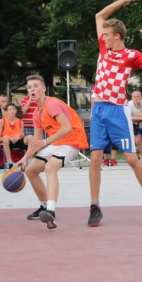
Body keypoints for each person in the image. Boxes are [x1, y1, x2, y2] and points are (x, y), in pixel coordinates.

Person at [89, 0, 142, 227]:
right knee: (95, 158)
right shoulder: (104, 45)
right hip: (99, 109)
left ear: (117, 36)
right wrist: (122, 0)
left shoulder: (131, 56)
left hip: (117, 110)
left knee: (131, 159)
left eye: (108, 35)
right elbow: (100, 15)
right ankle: (94, 206)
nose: (104, 37)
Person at [14, 75, 88, 229]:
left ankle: (51, 212)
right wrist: (25, 158)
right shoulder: (37, 114)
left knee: (50, 167)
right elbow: (36, 142)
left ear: (43, 89)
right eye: (29, 87)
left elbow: (67, 128)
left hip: (72, 141)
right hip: (57, 143)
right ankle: (43, 206)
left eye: (35, 86)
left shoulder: (52, 104)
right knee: (31, 170)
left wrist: (45, 142)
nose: (32, 89)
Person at [0, 103, 32, 169]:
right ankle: (10, 162)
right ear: (7, 112)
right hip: (8, 142)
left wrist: (19, 137)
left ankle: (29, 161)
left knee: (30, 137)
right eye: (10, 109)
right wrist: (10, 138)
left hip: (18, 140)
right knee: (5, 138)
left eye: (13, 109)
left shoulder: (20, 122)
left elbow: (22, 135)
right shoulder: (2, 121)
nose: (12, 111)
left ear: (16, 111)